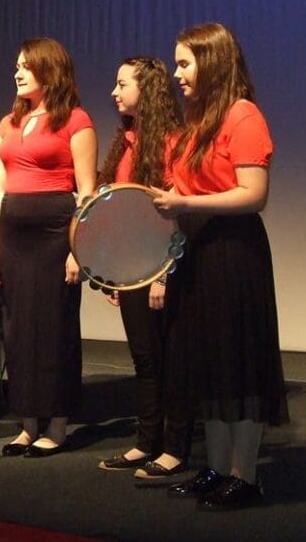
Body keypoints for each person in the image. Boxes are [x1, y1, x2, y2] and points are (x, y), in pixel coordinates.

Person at [152, 23, 287, 510]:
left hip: (234, 254)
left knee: (238, 364)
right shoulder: (193, 124)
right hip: (197, 252)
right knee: (208, 363)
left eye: (185, 62)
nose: (176, 72)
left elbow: (254, 194)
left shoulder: (242, 115)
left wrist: (187, 204)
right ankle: (215, 467)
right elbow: (182, 198)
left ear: (212, 62)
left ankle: (244, 476)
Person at [0, 38, 97, 457]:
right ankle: (27, 422)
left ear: (50, 71)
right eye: (16, 66)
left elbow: (86, 192)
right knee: (17, 328)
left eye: (26, 67)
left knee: (54, 327)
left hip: (55, 234)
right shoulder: (7, 123)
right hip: (14, 237)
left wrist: (76, 249)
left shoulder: (76, 120)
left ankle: (58, 423)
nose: (17, 73)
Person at [95, 57, 194, 479]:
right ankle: (146, 442)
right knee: (144, 359)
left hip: (162, 269)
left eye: (122, 84)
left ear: (146, 90)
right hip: (132, 268)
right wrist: (117, 271)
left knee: (171, 360)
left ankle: (175, 448)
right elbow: (123, 212)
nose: (114, 92)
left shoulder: (173, 141)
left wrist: (163, 272)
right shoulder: (126, 142)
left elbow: (177, 215)